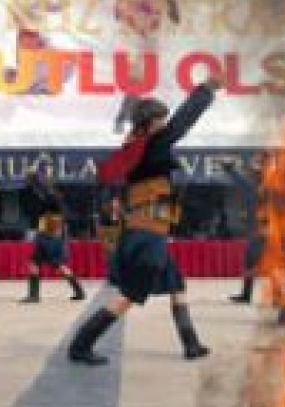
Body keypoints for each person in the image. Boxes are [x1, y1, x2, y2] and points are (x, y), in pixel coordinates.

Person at [68, 79, 222, 364]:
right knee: (127, 298)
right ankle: (80, 345)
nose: (166, 125)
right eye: (161, 120)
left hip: (150, 231)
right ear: (151, 123)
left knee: (177, 284)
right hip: (147, 235)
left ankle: (191, 344)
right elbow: (183, 121)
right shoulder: (150, 145)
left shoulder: (136, 147)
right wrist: (206, 91)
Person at [62, 0, 208, 131]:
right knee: (135, 72)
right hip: (127, 24)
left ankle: (132, 116)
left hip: (153, 25)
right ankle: (124, 117)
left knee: (144, 74)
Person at [19, 172, 85, 303]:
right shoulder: (46, 194)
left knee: (57, 264)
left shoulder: (49, 195)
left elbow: (57, 213)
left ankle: (79, 291)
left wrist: (54, 227)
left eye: (29, 181)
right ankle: (34, 295)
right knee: (36, 261)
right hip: (48, 227)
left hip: (51, 228)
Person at [225, 154, 267, 304]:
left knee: (252, 262)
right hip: (269, 231)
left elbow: (241, 182)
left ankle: (246, 295)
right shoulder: (271, 187)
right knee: (271, 263)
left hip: (259, 232)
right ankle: (277, 296)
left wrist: (230, 169)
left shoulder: (255, 189)